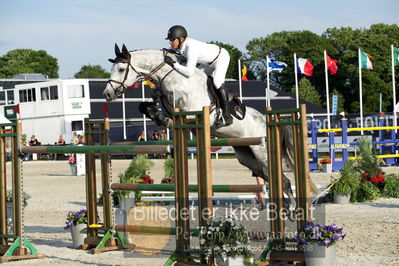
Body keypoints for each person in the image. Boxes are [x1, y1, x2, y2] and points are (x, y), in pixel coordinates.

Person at [164, 25, 232, 128]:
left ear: (181, 39)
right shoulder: (179, 45)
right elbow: (167, 51)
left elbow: (189, 72)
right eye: (169, 40)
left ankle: (226, 115)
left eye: (172, 39)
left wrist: (174, 64)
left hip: (221, 58)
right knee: (195, 80)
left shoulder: (191, 48)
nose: (170, 42)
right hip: (208, 63)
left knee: (217, 82)